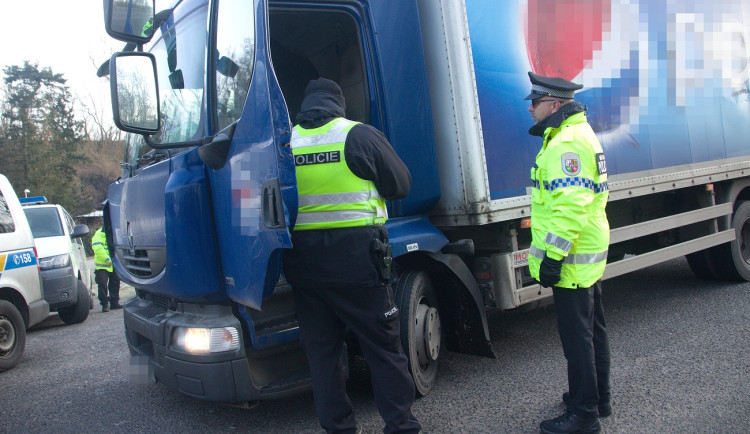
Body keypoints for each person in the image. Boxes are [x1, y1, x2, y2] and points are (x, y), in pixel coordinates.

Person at [283, 78, 420, 434]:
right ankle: (400, 425)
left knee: (322, 354)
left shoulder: (285, 142)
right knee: (382, 347)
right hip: (358, 262)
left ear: (305, 106)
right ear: (338, 105)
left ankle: (339, 428)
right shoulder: (357, 135)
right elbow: (400, 184)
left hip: (304, 266)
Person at [525, 71, 611, 434]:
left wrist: (553, 258)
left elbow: (570, 208)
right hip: (586, 252)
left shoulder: (566, 143)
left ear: (554, 104)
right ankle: (597, 399)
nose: (531, 109)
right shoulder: (574, 134)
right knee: (592, 330)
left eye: (535, 102)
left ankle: (584, 416)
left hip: (572, 258)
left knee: (577, 339)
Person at [92, 227, 121, 312]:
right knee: (102, 285)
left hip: (114, 264)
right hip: (102, 266)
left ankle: (114, 303)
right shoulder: (98, 235)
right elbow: (98, 250)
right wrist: (108, 260)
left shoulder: (116, 232)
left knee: (115, 283)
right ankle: (104, 304)